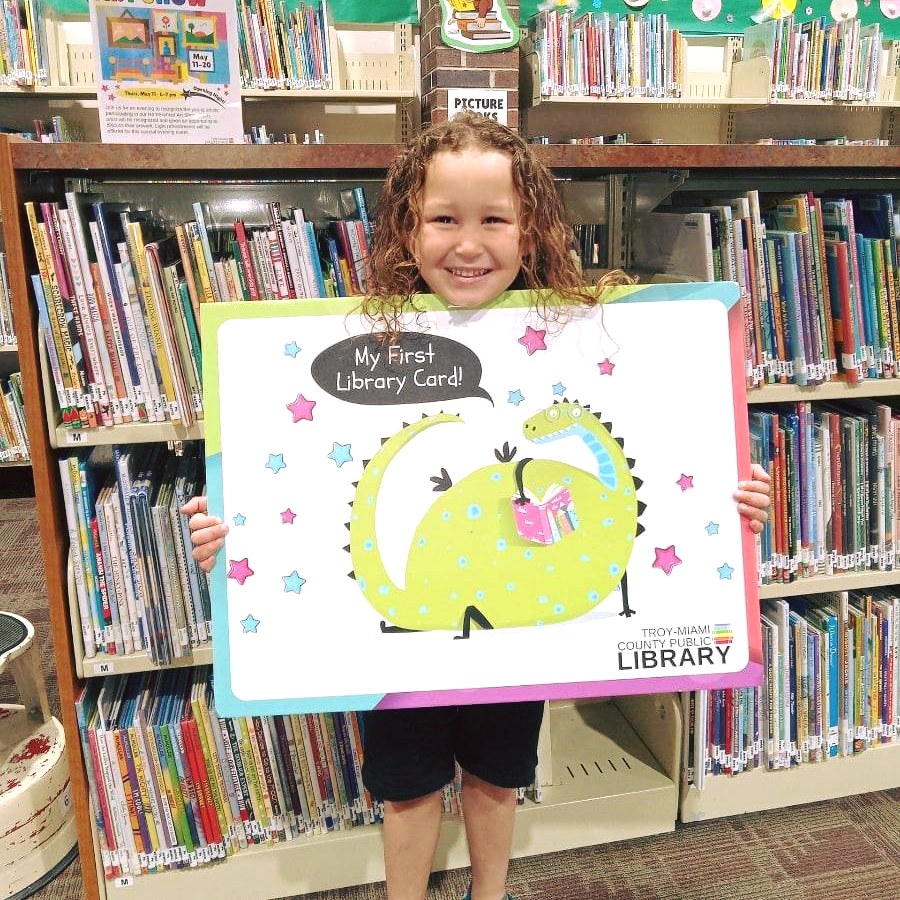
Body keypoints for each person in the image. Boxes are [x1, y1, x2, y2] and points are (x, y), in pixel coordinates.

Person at [180, 111, 771, 900]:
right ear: (405, 231)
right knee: (407, 784)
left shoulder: (584, 338)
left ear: (529, 233)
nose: (468, 242)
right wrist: (229, 531)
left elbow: (673, 457)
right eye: (443, 219)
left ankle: (490, 891)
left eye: (494, 219)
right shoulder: (354, 339)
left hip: (512, 629)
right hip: (400, 649)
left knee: (497, 774)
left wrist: (737, 506)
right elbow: (287, 484)